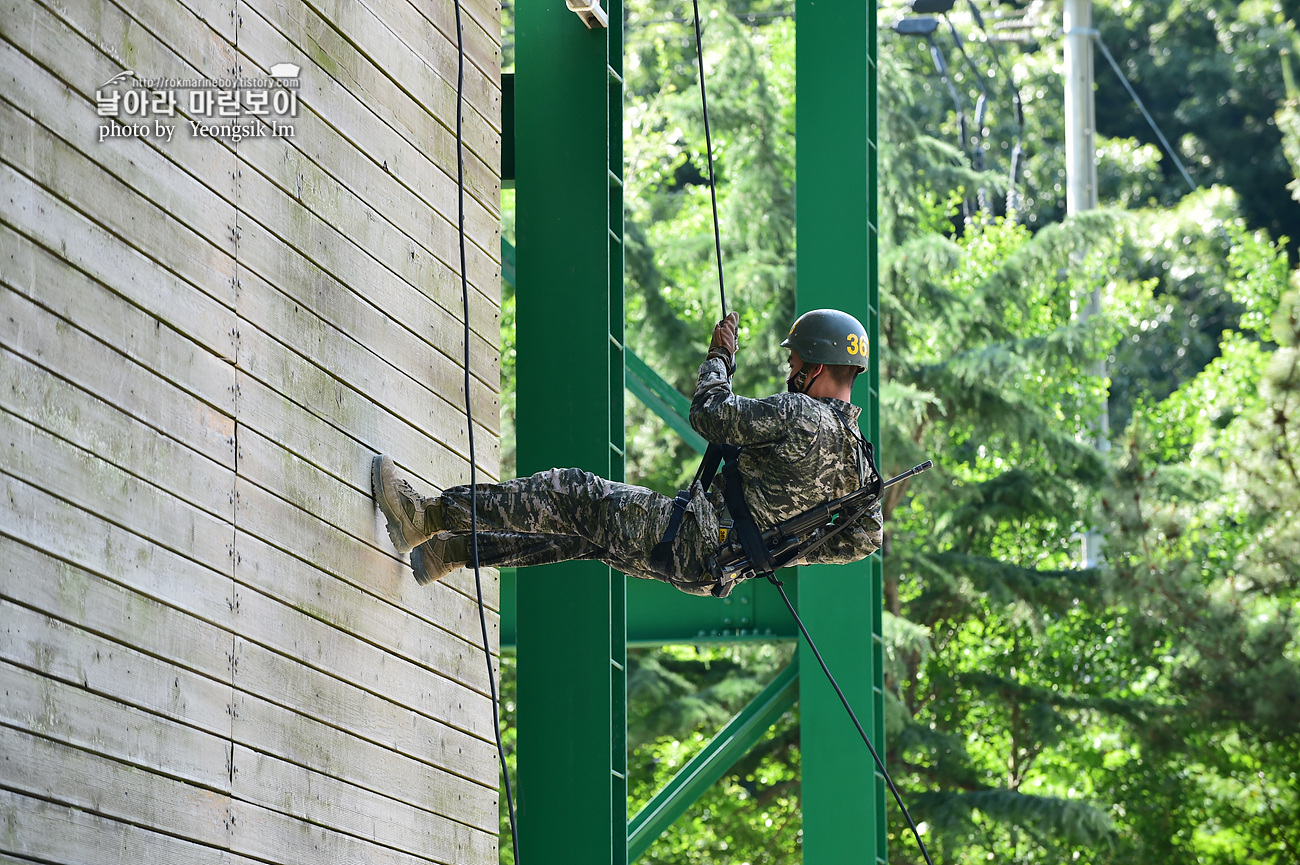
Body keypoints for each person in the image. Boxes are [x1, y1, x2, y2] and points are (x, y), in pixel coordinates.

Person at [372, 308, 883, 597]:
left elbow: (710, 413)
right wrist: (771, 546)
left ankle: (427, 517)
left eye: (794, 361)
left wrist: (719, 358)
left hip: (686, 536)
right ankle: (452, 552)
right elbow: (865, 539)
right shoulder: (861, 466)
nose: (789, 370)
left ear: (815, 367)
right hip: (715, 571)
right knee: (582, 535)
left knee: (570, 494)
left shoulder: (800, 416)